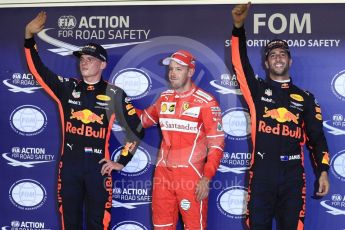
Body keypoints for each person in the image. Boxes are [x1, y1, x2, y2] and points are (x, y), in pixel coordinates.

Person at [24, 12, 144, 229]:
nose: (84, 62)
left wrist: (121, 161)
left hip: (98, 169)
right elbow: (38, 71)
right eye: (82, 58)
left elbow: (136, 129)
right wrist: (28, 38)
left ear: (103, 64)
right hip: (69, 166)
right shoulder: (67, 87)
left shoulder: (115, 94)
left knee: (97, 223)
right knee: (69, 223)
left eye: (90, 59)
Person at [231, 3, 330, 230]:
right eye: (272, 55)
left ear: (290, 61)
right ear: (266, 63)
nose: (277, 58)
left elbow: (317, 138)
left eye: (282, 54)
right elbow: (240, 64)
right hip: (262, 175)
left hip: (293, 178)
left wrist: (323, 171)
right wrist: (238, 28)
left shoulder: (305, 98)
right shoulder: (256, 91)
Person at [138, 50, 224, 229]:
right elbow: (143, 121)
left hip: (191, 176)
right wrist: (118, 104)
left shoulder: (206, 101)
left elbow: (216, 144)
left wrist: (206, 178)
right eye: (171, 69)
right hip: (162, 176)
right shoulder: (164, 98)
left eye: (179, 69)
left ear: (190, 72)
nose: (172, 73)